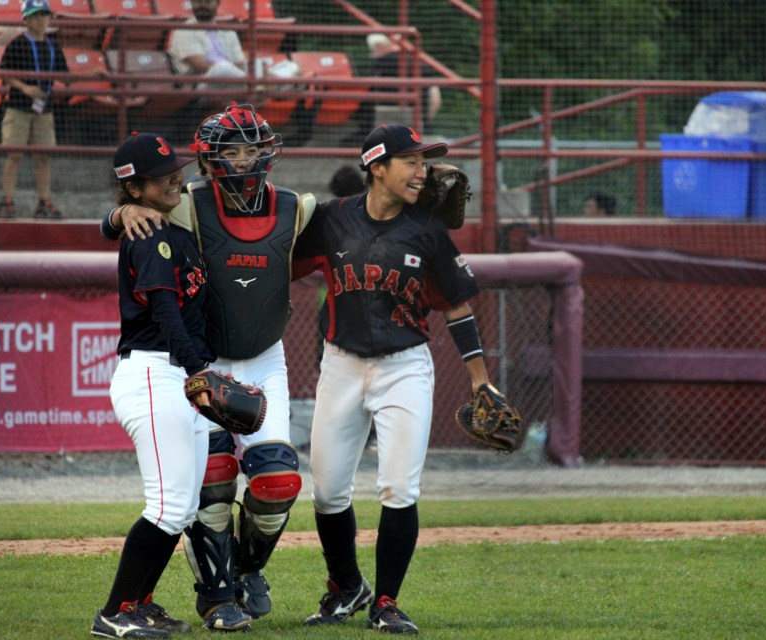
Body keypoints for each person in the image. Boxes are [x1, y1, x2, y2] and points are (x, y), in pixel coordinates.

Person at [101, 103, 315, 632]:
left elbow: (360, 226)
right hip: (189, 362)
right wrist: (115, 215)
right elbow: (129, 232)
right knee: (205, 484)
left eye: (253, 147)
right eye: (232, 149)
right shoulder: (180, 208)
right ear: (209, 160)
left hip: (256, 358)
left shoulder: (299, 208)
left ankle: (244, 571)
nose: (245, 159)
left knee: (278, 480)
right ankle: (211, 593)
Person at [293, 123, 493, 635]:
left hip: (405, 366)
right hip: (340, 365)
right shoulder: (331, 221)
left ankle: (385, 601)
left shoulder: (427, 230)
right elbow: (280, 266)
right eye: (411, 161)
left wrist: (480, 380)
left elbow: (458, 307)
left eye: (424, 162)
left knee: (398, 487)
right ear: (376, 167)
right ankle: (345, 587)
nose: (422, 171)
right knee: (328, 490)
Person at [91, 132, 212, 640]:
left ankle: (138, 602)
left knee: (181, 507)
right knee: (166, 505)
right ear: (134, 187)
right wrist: (197, 369)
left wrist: (114, 216)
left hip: (175, 372)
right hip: (154, 371)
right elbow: (163, 311)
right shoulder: (147, 233)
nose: (175, 178)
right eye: (162, 175)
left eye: (175, 169)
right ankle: (115, 613)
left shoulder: (167, 227)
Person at [0, 0, 67, 219]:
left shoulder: (53, 46)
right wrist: (25, 88)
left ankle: (43, 201)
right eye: (36, 16)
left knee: (44, 156)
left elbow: (65, 74)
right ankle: (7, 200)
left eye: (45, 15)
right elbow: (4, 73)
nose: (41, 20)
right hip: (18, 108)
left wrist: (93, 73)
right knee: (14, 154)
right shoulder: (17, 44)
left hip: (44, 109)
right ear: (26, 19)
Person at [344, 33, 443, 145]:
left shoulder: (380, 64)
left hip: (387, 116)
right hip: (419, 118)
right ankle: (426, 127)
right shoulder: (419, 62)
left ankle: (364, 132)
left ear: (379, 46)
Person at [167, 0, 246, 91]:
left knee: (260, 66)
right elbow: (201, 66)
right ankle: (247, 85)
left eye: (208, 2)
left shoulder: (229, 33)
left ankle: (246, 86)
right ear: (192, 3)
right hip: (198, 86)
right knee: (222, 67)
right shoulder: (183, 30)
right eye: (198, 2)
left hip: (231, 81)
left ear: (217, 3)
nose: (203, 5)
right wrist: (229, 71)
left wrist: (231, 73)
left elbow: (240, 64)